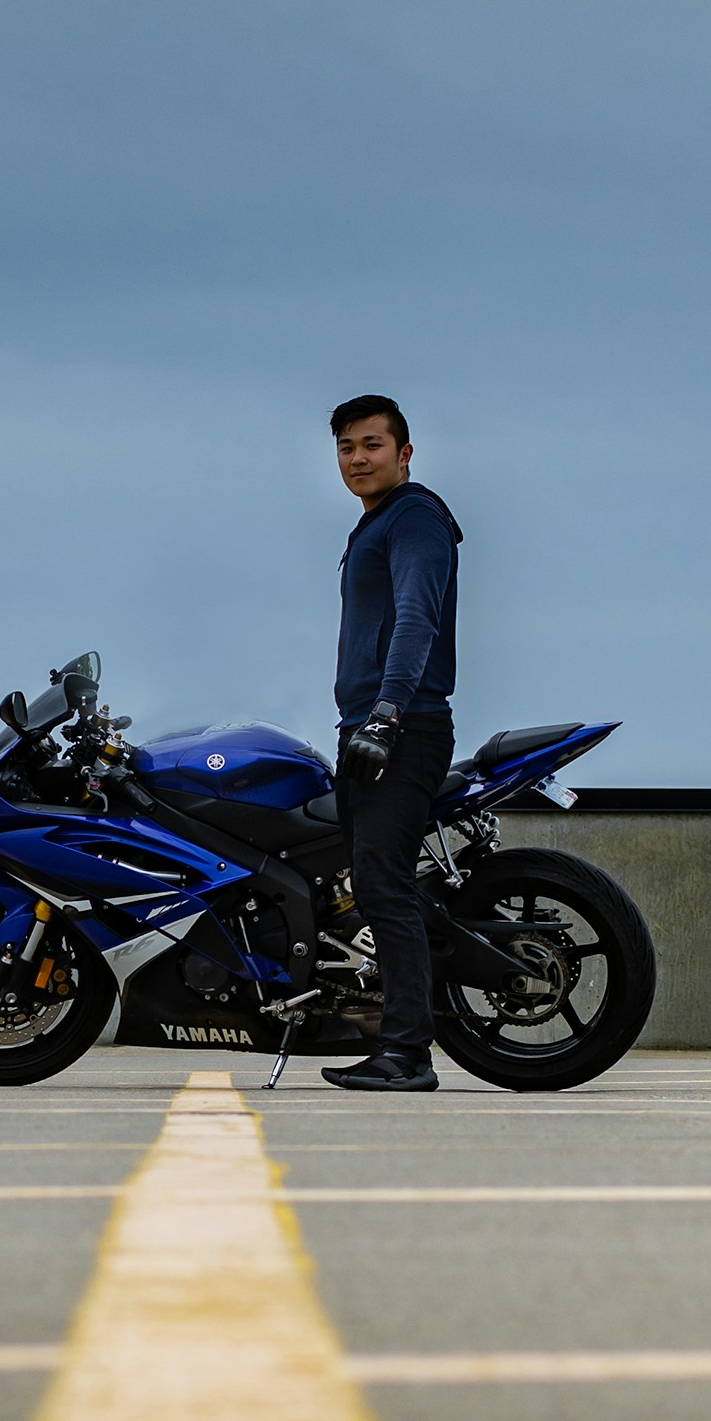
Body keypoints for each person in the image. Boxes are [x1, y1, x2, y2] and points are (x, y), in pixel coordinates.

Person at [321, 393, 461, 1093]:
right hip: (368, 727)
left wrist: (386, 715)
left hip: (403, 729)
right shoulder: (374, 524)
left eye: (372, 445)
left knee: (384, 885)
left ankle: (408, 1056)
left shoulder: (415, 519)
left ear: (405, 453)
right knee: (370, 888)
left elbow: (415, 620)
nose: (357, 459)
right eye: (347, 447)